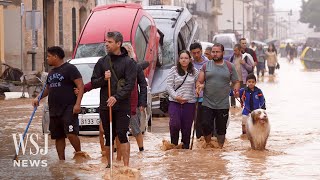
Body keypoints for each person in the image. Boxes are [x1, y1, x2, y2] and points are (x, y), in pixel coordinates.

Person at [91, 31, 137, 167]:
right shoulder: (102, 62)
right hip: (106, 105)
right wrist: (103, 79)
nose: (106, 44)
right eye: (106, 41)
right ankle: (109, 165)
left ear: (118, 43)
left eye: (109, 42)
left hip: (122, 105)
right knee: (108, 135)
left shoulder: (129, 63)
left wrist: (116, 97)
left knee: (122, 133)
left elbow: (130, 85)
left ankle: (126, 167)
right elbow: (94, 82)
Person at [32, 46, 84, 160]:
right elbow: (48, 89)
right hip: (54, 109)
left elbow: (80, 85)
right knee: (58, 136)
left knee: (71, 133)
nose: (47, 59)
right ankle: (61, 162)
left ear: (56, 56)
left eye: (49, 56)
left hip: (69, 107)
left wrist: (78, 104)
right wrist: (38, 98)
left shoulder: (70, 69)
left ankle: (80, 154)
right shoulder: (51, 73)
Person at [196, 43, 240, 148]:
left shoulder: (229, 66)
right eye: (213, 52)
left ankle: (220, 149)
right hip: (207, 102)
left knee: (221, 130)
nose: (215, 54)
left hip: (223, 104)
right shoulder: (206, 65)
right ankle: (208, 144)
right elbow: (199, 81)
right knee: (206, 125)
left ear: (222, 53)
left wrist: (236, 89)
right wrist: (199, 86)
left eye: (217, 52)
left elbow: (236, 81)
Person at [115, 43, 147, 161]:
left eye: (129, 49)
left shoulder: (136, 66)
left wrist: (142, 103)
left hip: (134, 102)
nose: (126, 51)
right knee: (119, 130)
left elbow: (143, 85)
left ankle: (141, 150)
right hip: (119, 102)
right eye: (125, 49)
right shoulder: (116, 65)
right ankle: (118, 155)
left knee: (135, 128)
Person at [166, 50, 199, 149]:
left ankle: (185, 150)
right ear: (178, 60)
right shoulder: (174, 70)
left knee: (187, 128)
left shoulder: (195, 72)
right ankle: (174, 146)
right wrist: (176, 97)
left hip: (189, 104)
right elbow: (168, 86)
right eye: (181, 58)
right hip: (175, 103)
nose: (184, 60)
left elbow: (199, 84)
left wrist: (198, 89)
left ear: (190, 60)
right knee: (174, 125)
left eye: (186, 58)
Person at [190, 42, 209, 139]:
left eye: (198, 52)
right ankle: (199, 144)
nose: (196, 55)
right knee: (196, 123)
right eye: (194, 53)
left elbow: (210, 81)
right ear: (191, 53)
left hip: (205, 98)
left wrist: (202, 86)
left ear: (201, 51)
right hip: (192, 98)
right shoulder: (189, 64)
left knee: (205, 123)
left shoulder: (208, 63)